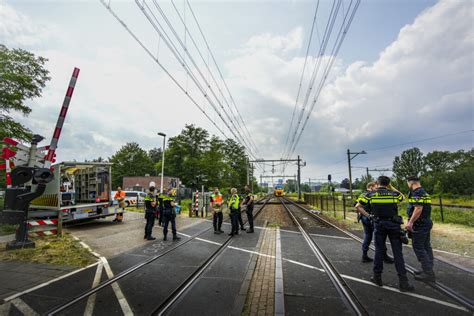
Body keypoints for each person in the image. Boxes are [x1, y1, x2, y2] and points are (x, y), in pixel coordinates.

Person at [358, 176, 414, 292]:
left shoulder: (370, 195)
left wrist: (368, 216)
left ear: (377, 183)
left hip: (379, 224)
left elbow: (358, 206)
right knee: (398, 253)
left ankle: (377, 277)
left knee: (379, 251)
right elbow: (402, 197)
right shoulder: (394, 194)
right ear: (388, 184)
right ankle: (404, 283)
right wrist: (391, 187)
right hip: (394, 225)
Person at [355, 182, 394, 264]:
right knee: (380, 237)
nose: (377, 188)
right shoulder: (372, 194)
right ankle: (384, 256)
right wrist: (369, 216)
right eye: (376, 187)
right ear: (371, 187)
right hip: (372, 218)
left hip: (363, 217)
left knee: (367, 236)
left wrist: (365, 215)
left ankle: (364, 255)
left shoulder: (362, 195)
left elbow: (356, 205)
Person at [406, 176, 435, 282]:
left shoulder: (417, 193)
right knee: (426, 246)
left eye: (407, 183)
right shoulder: (424, 192)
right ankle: (428, 269)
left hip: (420, 224)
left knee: (418, 247)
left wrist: (410, 222)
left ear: (410, 183)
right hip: (426, 222)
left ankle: (428, 274)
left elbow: (418, 209)